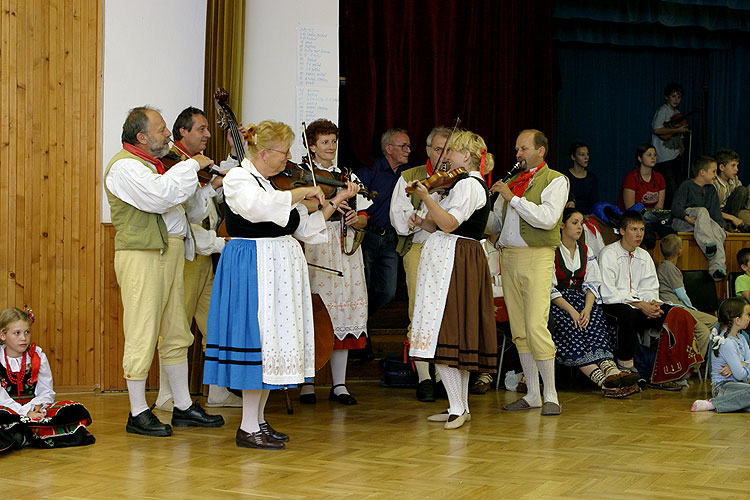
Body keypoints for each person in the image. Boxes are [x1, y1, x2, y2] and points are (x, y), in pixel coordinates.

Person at [203, 120, 358, 449]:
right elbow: (258, 210)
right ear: (264, 152)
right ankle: (247, 426)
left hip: (276, 268)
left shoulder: (271, 184)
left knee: (272, 345)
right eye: (284, 152)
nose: (288, 159)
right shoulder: (240, 180)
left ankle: (258, 420)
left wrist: (336, 199)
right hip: (254, 265)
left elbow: (301, 225)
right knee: (258, 342)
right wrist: (301, 192)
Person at [105, 106, 224, 437]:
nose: (168, 135)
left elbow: (181, 205)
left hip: (170, 252)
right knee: (143, 330)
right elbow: (160, 197)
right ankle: (137, 411)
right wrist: (190, 165)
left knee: (176, 332)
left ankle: (183, 406)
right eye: (161, 130)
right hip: (142, 255)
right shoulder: (124, 167)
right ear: (142, 137)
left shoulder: (155, 165)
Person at [408, 129, 497, 429]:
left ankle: (459, 407)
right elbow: (447, 226)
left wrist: (425, 197)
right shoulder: (462, 185)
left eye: (453, 152)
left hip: (454, 259)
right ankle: (458, 406)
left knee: (445, 330)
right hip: (453, 254)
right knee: (451, 331)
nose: (447, 157)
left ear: (467, 157)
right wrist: (423, 220)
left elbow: (449, 223)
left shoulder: (469, 185)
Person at [155, 106, 242, 411]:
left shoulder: (198, 165)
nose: (207, 135)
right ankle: (166, 396)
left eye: (207, 129)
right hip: (189, 255)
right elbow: (190, 213)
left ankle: (216, 391)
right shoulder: (175, 164)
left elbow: (211, 202)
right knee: (176, 325)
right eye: (201, 129)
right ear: (183, 132)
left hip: (205, 257)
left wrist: (223, 170)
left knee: (214, 327)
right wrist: (212, 188)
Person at [487, 129, 569, 416]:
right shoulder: (511, 182)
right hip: (508, 257)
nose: (518, 154)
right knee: (519, 329)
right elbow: (496, 226)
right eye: (517, 149)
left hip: (537, 257)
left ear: (540, 150)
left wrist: (512, 198)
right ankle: (533, 393)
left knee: (536, 326)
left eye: (523, 149)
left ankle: (552, 395)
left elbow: (547, 219)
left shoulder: (556, 180)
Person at [300, 119, 371, 405]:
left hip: (344, 249)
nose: (331, 147)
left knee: (344, 315)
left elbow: (366, 214)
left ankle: (339, 385)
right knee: (315, 313)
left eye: (333, 141)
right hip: (316, 246)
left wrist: (358, 219)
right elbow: (301, 214)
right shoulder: (304, 175)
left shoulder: (347, 175)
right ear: (312, 146)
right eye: (324, 142)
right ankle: (307, 384)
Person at [549, 208, 639, 397]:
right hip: (559, 303)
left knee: (596, 323)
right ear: (562, 225)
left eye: (581, 223)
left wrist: (588, 309)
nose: (580, 227)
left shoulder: (585, 250)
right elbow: (549, 287)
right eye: (575, 223)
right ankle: (604, 382)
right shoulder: (552, 250)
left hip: (583, 300)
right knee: (572, 328)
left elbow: (592, 283)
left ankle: (614, 373)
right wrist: (573, 311)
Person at [390, 126, 450, 402]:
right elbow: (399, 222)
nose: (442, 155)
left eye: (448, 150)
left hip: (449, 251)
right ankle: (425, 377)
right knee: (419, 312)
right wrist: (418, 215)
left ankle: (444, 376)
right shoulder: (409, 177)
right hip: (419, 248)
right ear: (428, 150)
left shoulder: (458, 180)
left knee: (446, 315)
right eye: (438, 149)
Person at [599, 211, 685, 390]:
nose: (639, 234)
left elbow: (650, 286)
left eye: (642, 229)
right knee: (628, 315)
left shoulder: (644, 255)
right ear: (622, 231)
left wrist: (652, 304)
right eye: (633, 229)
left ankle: (666, 370)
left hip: (640, 304)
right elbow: (608, 293)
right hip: (613, 304)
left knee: (673, 313)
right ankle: (626, 369)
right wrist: (640, 305)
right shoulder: (608, 254)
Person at [0, 307, 95, 450]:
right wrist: (25, 413)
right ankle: (26, 433)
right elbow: (2, 399)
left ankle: (20, 435)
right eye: (17, 333)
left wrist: (37, 408)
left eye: (27, 332)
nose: (23, 338)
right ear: (3, 335)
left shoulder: (37, 356)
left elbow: (46, 391)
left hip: (35, 410)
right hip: (8, 411)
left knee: (74, 409)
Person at [356, 128, 413, 314]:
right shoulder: (369, 170)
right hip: (366, 236)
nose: (408, 150)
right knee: (361, 287)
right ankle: (361, 329)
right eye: (403, 146)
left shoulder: (409, 174)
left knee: (388, 292)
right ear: (388, 148)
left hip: (391, 239)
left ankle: (364, 319)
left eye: (409, 146)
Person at [656, 233, 715, 359]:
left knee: (713, 323)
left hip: (677, 307)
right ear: (679, 251)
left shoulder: (664, 266)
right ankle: (692, 364)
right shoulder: (669, 268)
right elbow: (681, 294)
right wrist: (692, 308)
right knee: (706, 329)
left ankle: (693, 356)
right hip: (676, 307)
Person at [670, 156, 727, 280]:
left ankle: (717, 268)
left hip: (702, 224)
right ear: (702, 172)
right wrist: (687, 218)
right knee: (702, 211)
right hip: (683, 221)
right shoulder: (687, 185)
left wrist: (721, 228)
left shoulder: (711, 189)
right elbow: (675, 208)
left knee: (717, 230)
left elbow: (716, 213)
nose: (716, 175)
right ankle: (708, 245)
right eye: (713, 171)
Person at [691, 297, 750, 413]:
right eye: (748, 314)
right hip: (723, 388)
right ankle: (713, 403)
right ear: (737, 320)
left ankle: (735, 404)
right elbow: (740, 375)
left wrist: (740, 365)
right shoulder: (726, 342)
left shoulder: (742, 338)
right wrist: (739, 367)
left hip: (740, 386)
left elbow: (743, 369)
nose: (749, 318)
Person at [652, 82, 689, 206]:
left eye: (679, 97)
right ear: (666, 97)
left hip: (675, 156)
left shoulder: (678, 113)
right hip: (663, 157)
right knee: (670, 188)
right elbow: (657, 129)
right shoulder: (663, 111)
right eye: (673, 96)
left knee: (676, 187)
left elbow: (680, 136)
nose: (676, 99)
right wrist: (677, 130)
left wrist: (681, 148)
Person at [618, 143, 666, 211]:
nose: (653, 158)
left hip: (652, 217)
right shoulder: (631, 178)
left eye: (654, 155)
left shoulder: (659, 178)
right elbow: (630, 209)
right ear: (640, 158)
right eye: (649, 155)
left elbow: (659, 207)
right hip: (632, 218)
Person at [712, 148, 749, 230]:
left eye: (737, 165)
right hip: (717, 215)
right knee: (742, 191)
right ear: (721, 167)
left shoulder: (734, 180)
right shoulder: (713, 183)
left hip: (731, 214)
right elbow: (712, 211)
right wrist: (732, 218)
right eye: (733, 165)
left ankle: (733, 225)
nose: (737, 169)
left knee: (743, 190)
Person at [564, 142, 598, 215]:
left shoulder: (591, 177)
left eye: (587, 154)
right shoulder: (564, 176)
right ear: (573, 157)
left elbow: (593, 201)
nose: (586, 157)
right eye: (582, 155)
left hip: (587, 217)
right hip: (568, 216)